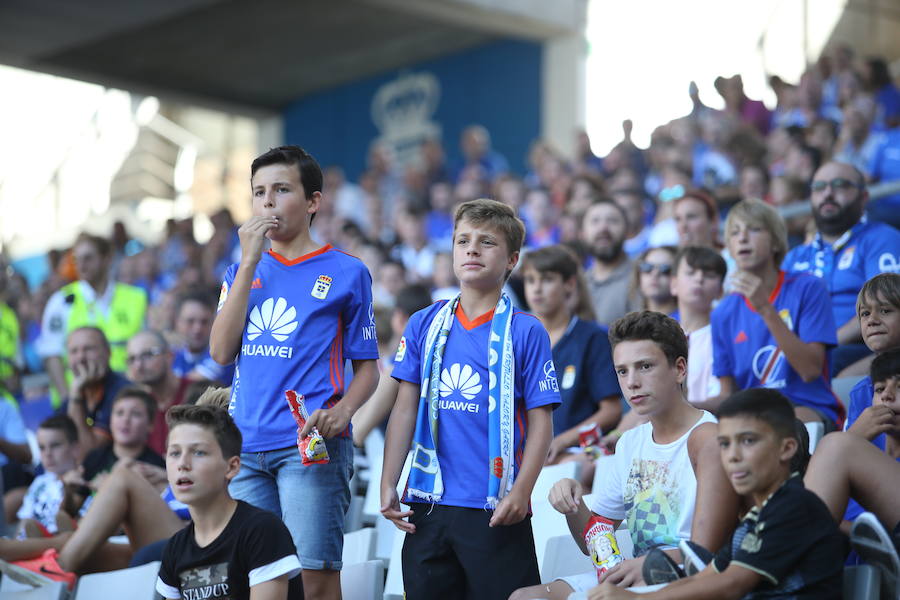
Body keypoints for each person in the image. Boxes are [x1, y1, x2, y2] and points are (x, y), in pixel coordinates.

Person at [210, 145, 379, 599]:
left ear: (312, 201)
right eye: (259, 192)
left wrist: (344, 412)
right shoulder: (241, 269)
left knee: (315, 580)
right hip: (244, 450)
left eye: (282, 189)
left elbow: (369, 369)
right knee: (259, 584)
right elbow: (221, 351)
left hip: (310, 446)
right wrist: (248, 262)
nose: (268, 201)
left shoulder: (348, 272)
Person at [381, 199, 557, 600]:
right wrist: (389, 480)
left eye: (486, 242)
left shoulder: (527, 331)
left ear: (512, 259)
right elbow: (405, 407)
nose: (472, 249)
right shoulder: (424, 322)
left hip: (494, 507)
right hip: (427, 505)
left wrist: (521, 492)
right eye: (463, 241)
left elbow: (542, 422)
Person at [511, 311, 738, 599]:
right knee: (525, 597)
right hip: (637, 572)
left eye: (644, 366)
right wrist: (573, 505)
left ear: (680, 369)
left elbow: (706, 552)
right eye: (622, 371)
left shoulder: (707, 437)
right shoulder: (630, 441)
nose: (631, 382)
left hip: (688, 578)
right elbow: (595, 541)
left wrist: (643, 567)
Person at [584, 389, 845, 599]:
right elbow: (705, 578)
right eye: (725, 444)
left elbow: (732, 584)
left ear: (786, 448)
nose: (732, 456)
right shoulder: (755, 519)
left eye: (748, 441)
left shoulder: (794, 506)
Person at [712, 200, 843, 428]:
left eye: (753, 229)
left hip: (808, 409)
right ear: (730, 248)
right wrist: (686, 405)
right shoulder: (722, 312)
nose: (742, 238)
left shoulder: (808, 287)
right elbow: (728, 395)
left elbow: (810, 370)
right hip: (750, 418)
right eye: (734, 233)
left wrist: (765, 308)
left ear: (775, 241)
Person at [157, 401, 303, 599]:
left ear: (232, 467)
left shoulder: (262, 531)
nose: (182, 463)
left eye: (198, 452)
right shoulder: (175, 548)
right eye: (175, 453)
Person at [782, 161, 900, 375]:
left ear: (863, 197)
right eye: (819, 187)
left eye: (840, 185)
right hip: (804, 352)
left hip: (859, 347)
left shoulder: (881, 238)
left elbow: (886, 309)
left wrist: (823, 345)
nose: (828, 193)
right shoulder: (795, 256)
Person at [520, 245, 621, 468]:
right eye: (530, 280)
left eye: (546, 279)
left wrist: (562, 441)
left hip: (573, 455)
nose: (536, 289)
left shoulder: (592, 337)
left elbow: (611, 410)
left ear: (569, 284)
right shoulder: (514, 338)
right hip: (520, 456)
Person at [37, 233, 147, 400]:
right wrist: (68, 399)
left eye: (88, 258)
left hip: (128, 394)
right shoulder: (61, 301)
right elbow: (53, 356)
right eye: (77, 259)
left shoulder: (136, 297)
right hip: (81, 397)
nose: (81, 265)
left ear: (107, 259)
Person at [845, 273, 900, 452]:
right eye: (865, 314)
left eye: (885, 310)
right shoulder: (861, 391)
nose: (872, 321)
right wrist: (857, 434)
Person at [670, 247, 725, 411]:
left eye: (709, 275)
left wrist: (678, 407)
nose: (699, 279)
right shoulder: (659, 335)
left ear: (720, 291)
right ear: (673, 284)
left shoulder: (725, 334)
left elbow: (726, 396)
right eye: (690, 272)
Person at [60, 326, 131, 452]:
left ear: (108, 352)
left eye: (88, 349)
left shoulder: (125, 393)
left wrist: (76, 394)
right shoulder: (69, 400)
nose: (81, 358)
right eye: (74, 351)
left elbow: (87, 452)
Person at [126, 330, 193, 455]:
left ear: (169, 356)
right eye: (132, 359)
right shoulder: (136, 405)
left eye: (147, 355)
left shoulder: (197, 393)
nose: (138, 365)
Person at [16, 415, 80, 536]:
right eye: (42, 448)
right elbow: (23, 525)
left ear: (75, 448)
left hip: (65, 544)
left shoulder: (83, 482)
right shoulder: (39, 483)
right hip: (33, 547)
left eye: (55, 445)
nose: (48, 453)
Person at [581, 199, 641, 326]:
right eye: (595, 221)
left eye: (612, 221)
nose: (603, 228)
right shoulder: (579, 283)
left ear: (627, 231)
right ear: (582, 233)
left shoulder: (641, 277)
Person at [171, 289, 235, 386]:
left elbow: (186, 386)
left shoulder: (223, 354)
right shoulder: (173, 356)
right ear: (177, 323)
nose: (197, 329)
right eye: (190, 321)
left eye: (204, 322)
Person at [631, 246, 677, 316]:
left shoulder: (686, 322)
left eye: (665, 269)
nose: (655, 274)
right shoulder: (633, 321)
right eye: (647, 267)